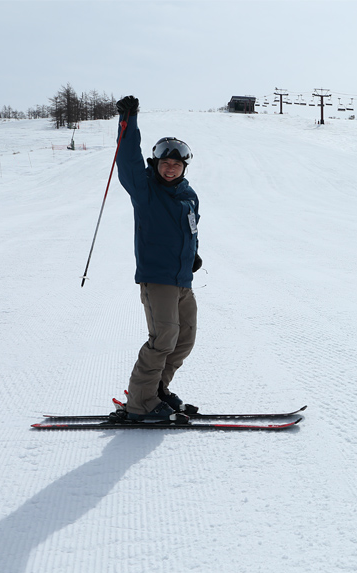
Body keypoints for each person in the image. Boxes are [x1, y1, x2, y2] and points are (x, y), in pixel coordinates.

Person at [113, 95, 202, 423]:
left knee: (184, 338)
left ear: (183, 167)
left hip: (182, 280)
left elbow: (191, 229)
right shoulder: (145, 190)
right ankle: (139, 403)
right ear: (157, 163)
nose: (170, 168)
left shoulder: (188, 196)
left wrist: (194, 254)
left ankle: (158, 390)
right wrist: (128, 120)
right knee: (163, 338)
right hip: (158, 278)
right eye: (165, 163)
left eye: (176, 164)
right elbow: (127, 160)